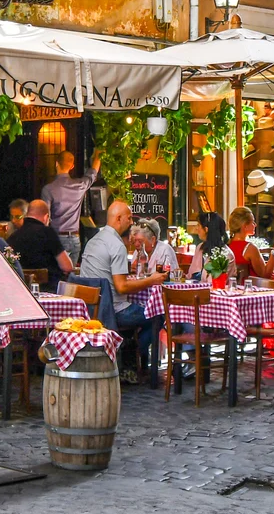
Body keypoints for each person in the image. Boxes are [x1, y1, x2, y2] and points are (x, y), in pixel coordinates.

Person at [79, 200, 167, 384]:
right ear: (118, 218)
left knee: (143, 312)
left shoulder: (93, 241)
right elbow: (122, 287)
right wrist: (152, 279)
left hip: (91, 309)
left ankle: (128, 352)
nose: (131, 221)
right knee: (159, 314)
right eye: (129, 217)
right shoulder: (116, 245)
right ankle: (131, 354)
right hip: (113, 311)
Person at [41, 150, 103, 265]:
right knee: (69, 277)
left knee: (55, 276)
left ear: (56, 164)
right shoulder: (79, 186)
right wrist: (98, 156)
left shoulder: (48, 189)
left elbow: (45, 219)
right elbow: (92, 174)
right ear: (72, 166)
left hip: (57, 239)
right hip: (75, 239)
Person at [9, 198, 72, 286]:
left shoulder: (12, 237)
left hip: (22, 289)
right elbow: (67, 267)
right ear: (46, 217)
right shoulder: (48, 233)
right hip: (50, 290)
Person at [225, 206, 274, 281]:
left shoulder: (226, 247)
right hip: (251, 289)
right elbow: (265, 274)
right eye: (253, 222)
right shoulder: (250, 248)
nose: (255, 225)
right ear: (245, 226)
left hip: (231, 288)